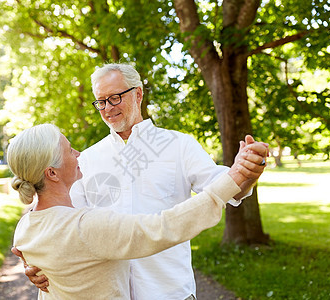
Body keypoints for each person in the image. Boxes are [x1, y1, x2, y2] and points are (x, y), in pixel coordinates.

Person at [15, 63, 269, 299]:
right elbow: (60, 219)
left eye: (115, 98)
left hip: (171, 292)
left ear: (138, 94)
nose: (108, 108)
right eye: (101, 102)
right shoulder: (86, 160)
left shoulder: (178, 145)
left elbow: (227, 188)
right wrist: (35, 259)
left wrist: (246, 174)